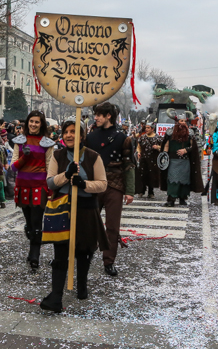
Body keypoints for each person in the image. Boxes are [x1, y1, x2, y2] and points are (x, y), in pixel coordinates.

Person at [40, 118, 109, 313]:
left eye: (73, 132)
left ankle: (82, 286)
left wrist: (84, 184)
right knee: (61, 252)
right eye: (66, 132)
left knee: (84, 250)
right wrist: (66, 174)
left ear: (81, 136)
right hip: (63, 209)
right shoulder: (57, 155)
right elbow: (51, 182)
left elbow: (103, 184)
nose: (69, 135)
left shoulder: (93, 157)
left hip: (86, 209)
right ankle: (56, 297)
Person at [85, 102, 135, 276]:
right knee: (90, 224)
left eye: (99, 115)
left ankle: (109, 261)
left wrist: (129, 191)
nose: (96, 118)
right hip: (93, 185)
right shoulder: (90, 137)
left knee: (112, 226)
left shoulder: (123, 138)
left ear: (108, 116)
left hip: (115, 185)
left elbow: (129, 165)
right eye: (95, 114)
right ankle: (86, 256)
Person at [11, 110, 55, 270]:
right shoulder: (19, 141)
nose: (34, 124)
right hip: (22, 186)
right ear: (27, 123)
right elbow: (13, 167)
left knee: (37, 223)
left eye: (37, 122)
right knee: (29, 223)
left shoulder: (47, 143)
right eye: (31, 121)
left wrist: (50, 188)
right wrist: (25, 157)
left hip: (39, 187)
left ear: (41, 124)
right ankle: (32, 247)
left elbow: (50, 167)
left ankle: (34, 255)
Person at [161, 115, 203, 206]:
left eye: (184, 121)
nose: (183, 123)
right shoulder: (170, 132)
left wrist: (186, 150)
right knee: (172, 179)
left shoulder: (190, 133)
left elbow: (194, 147)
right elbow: (166, 145)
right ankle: (171, 199)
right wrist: (164, 156)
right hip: (173, 161)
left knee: (184, 180)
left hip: (185, 161)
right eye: (181, 120)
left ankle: (182, 198)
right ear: (177, 122)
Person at [135, 123, 162, 199]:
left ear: (152, 129)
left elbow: (163, 147)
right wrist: (139, 152)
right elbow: (138, 147)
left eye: (148, 128)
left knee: (152, 175)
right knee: (142, 175)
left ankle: (151, 192)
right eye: (146, 128)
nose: (146, 129)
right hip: (144, 159)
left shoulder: (158, 138)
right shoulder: (142, 137)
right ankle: (141, 191)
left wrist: (158, 147)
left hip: (153, 160)